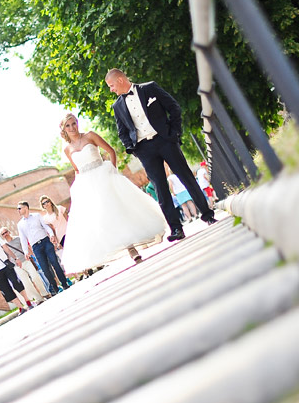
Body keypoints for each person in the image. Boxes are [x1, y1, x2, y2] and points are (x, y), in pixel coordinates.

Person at [105, 68, 216, 241]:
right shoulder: (117, 106)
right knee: (160, 189)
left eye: (111, 85)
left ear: (120, 80)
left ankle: (207, 214)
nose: (111, 89)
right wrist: (133, 149)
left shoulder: (150, 88)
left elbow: (173, 107)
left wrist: (174, 133)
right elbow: (122, 132)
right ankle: (176, 229)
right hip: (144, 149)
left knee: (186, 176)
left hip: (166, 140)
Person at [59, 113, 166, 273]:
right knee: (101, 217)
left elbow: (110, 151)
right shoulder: (67, 149)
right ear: (64, 129)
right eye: (68, 125)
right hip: (87, 184)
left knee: (117, 211)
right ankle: (112, 248)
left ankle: (132, 249)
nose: (72, 127)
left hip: (103, 176)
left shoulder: (90, 136)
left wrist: (112, 170)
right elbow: (76, 169)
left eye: (74, 123)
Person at [17, 201, 70, 294]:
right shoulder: (20, 224)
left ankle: (64, 283)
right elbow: (23, 239)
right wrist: (25, 251)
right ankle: (56, 288)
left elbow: (46, 227)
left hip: (46, 242)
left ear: (26, 208)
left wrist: (51, 234)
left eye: (19, 208)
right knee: (45, 268)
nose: (18, 210)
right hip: (36, 247)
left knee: (55, 263)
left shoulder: (37, 216)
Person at [0, 226, 50, 300]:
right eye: (3, 234)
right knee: (26, 283)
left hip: (26, 261)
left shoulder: (18, 238)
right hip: (17, 266)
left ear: (9, 232)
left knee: (35, 277)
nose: (5, 234)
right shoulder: (4, 246)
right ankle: (38, 298)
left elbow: (27, 247)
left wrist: (33, 255)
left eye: (6, 232)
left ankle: (45, 293)